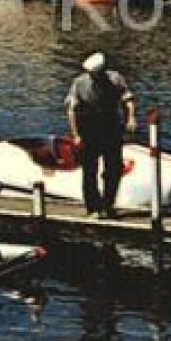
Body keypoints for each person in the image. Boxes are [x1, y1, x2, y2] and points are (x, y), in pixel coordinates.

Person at [65, 52, 137, 219]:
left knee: (114, 168)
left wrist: (131, 117)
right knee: (90, 169)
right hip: (89, 126)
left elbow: (127, 98)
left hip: (110, 125)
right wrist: (76, 134)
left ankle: (108, 203)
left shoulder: (115, 79)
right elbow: (72, 110)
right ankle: (93, 207)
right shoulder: (80, 83)